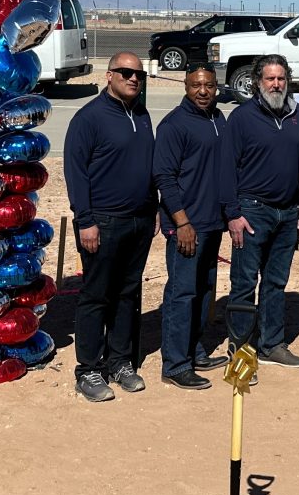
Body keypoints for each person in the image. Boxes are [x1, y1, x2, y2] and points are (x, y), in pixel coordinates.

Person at [63, 52, 158, 402]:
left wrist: (155, 206)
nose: (133, 78)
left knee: (127, 294)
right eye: (126, 72)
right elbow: (76, 173)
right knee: (96, 295)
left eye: (139, 74)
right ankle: (88, 369)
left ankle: (120, 361)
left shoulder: (142, 114)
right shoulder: (89, 118)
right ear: (109, 75)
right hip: (102, 222)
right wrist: (85, 221)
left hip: (140, 220)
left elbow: (147, 167)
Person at [221, 54, 299, 368]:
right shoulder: (242, 118)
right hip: (251, 212)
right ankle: (241, 351)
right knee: (244, 283)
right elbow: (227, 168)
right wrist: (233, 214)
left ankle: (272, 344)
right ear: (257, 82)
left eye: (281, 78)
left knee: (276, 283)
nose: (276, 84)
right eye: (270, 79)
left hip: (287, 214)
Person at [153, 63, 230, 391]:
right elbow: (164, 178)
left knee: (204, 289)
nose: (203, 91)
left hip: (212, 224)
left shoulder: (218, 119)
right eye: (196, 85)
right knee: (182, 293)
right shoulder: (174, 125)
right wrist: (181, 222)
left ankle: (194, 350)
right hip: (186, 225)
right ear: (185, 86)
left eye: (209, 86)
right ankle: (175, 363)